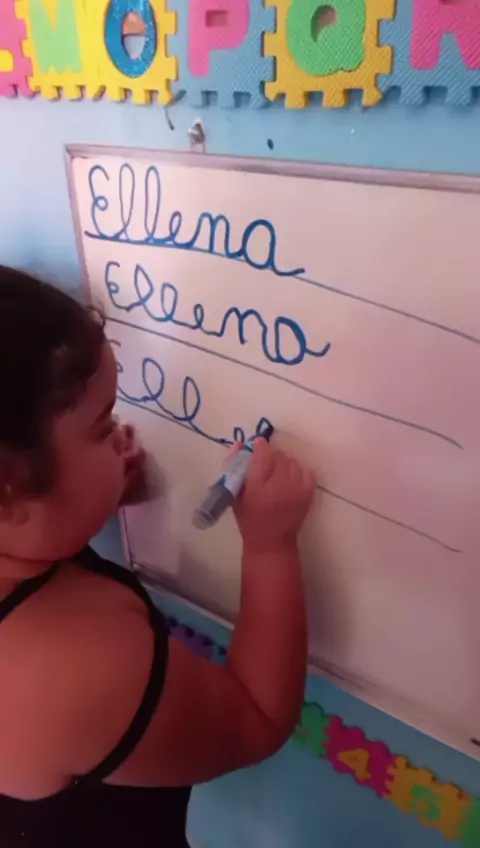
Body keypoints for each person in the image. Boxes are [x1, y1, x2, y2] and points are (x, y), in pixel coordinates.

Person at [0, 265, 315, 847]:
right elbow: (257, 718)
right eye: (102, 427)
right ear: (11, 492)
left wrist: (86, 493)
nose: (122, 431)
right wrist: (270, 545)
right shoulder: (68, 666)